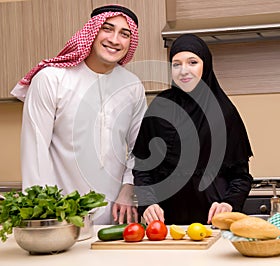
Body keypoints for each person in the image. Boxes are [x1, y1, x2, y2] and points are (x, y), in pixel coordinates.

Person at [11, 5, 147, 224]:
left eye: (124, 34)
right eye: (107, 29)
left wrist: (129, 187)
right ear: (91, 32)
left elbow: (139, 148)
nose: (114, 39)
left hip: (115, 217)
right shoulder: (51, 79)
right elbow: (35, 153)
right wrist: (46, 215)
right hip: (60, 216)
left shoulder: (133, 86)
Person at [133, 34, 253, 225]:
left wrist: (229, 204)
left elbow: (241, 176)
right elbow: (142, 168)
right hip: (166, 228)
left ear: (205, 66)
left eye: (192, 62)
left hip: (213, 224)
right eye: (176, 64)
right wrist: (147, 203)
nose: (183, 71)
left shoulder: (224, 113)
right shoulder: (159, 107)